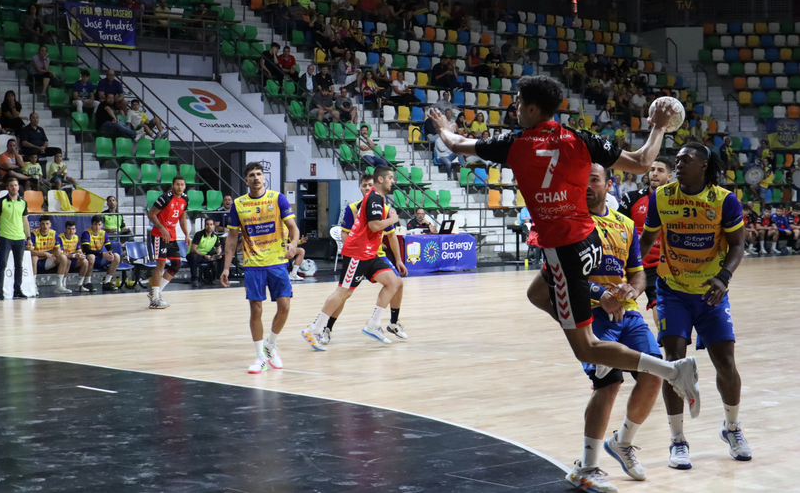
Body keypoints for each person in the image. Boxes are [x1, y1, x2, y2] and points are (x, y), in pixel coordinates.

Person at [427, 75, 701, 424]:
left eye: (516, 101)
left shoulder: (514, 143)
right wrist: (659, 127)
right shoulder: (580, 138)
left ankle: (673, 371)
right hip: (588, 240)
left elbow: (456, 144)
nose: (512, 107)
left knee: (585, 346)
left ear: (530, 107)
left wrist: (443, 126)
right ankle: (586, 325)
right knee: (538, 293)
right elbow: (643, 160)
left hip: (563, 248)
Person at [528, 164, 662, 492]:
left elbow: (638, 271)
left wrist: (635, 288)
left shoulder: (626, 225)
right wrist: (599, 295)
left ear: (607, 184)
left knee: (654, 372)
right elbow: (559, 279)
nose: (587, 185)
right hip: (592, 315)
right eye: (580, 180)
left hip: (627, 313)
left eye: (594, 179)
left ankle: (623, 442)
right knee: (608, 382)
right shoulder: (568, 226)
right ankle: (587, 466)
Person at [638, 142, 751, 469]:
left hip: (711, 292)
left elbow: (737, 244)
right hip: (672, 290)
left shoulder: (724, 201)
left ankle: (732, 428)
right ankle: (677, 439)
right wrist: (629, 270)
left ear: (703, 166)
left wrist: (723, 277)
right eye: (678, 160)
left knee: (726, 362)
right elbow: (647, 241)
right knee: (674, 364)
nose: (679, 164)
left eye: (686, 160)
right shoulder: (661, 197)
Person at [302, 166, 407, 350]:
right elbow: (375, 226)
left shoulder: (377, 199)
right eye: (390, 177)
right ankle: (314, 328)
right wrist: (393, 220)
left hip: (371, 253)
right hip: (358, 253)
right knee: (344, 292)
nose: (393, 181)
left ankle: (374, 325)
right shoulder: (374, 197)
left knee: (394, 282)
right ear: (380, 179)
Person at [220, 162, 299, 374]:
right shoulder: (238, 204)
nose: (256, 178)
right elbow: (231, 240)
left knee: (285, 306)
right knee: (256, 309)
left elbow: (293, 228)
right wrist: (226, 268)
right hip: (253, 264)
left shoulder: (277, 198)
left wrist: (293, 243)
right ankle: (260, 356)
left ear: (264, 178)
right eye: (252, 175)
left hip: (277, 262)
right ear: (246, 180)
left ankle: (270, 345)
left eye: (259, 174)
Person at [618, 156, 674, 328]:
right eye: (652, 170)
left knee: (660, 304)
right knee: (618, 300)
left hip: (661, 265)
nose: (654, 174)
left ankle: (665, 345)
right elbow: (618, 228)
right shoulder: (632, 198)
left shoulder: (676, 202)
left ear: (669, 176)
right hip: (633, 262)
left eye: (660, 170)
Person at [145, 176, 190, 307]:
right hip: (159, 235)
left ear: (185, 186)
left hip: (172, 236)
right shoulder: (165, 198)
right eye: (177, 184)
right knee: (161, 265)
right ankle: (155, 298)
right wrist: (161, 228)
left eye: (182, 184)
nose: (180, 187)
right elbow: (151, 214)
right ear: (172, 185)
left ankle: (155, 292)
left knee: (176, 264)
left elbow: (182, 219)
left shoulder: (185, 199)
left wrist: (187, 235)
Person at [0, 177, 31, 300]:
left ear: (18, 187)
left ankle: (17, 290)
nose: (14, 187)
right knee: (2, 264)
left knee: (19, 265)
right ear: (7, 188)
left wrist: (28, 237)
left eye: (16, 185)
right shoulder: (1, 202)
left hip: (20, 238)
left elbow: (25, 222)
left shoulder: (23, 202)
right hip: (5, 237)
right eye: (11, 185)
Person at [29, 215, 72, 294]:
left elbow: (57, 249)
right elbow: (29, 251)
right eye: (43, 224)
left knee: (63, 258)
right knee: (33, 258)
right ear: (40, 225)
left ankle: (59, 286)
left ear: (50, 224)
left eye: (47, 223)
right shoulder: (34, 234)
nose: (45, 226)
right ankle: (33, 286)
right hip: (37, 260)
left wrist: (58, 252)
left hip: (48, 261)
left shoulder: (54, 234)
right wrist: (44, 253)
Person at [79, 215, 121, 292]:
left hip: (99, 257)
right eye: (95, 224)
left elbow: (109, 247)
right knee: (92, 257)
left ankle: (107, 282)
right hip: (89, 257)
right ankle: (87, 282)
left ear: (102, 225)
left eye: (99, 225)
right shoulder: (86, 233)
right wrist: (102, 254)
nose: (97, 227)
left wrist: (110, 252)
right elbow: (86, 250)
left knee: (116, 256)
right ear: (91, 224)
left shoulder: (104, 233)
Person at [187, 218, 223, 287]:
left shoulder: (215, 236)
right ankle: (194, 279)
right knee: (193, 256)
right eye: (207, 224)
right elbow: (193, 249)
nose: (209, 226)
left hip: (206, 254)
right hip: (196, 255)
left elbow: (218, 248)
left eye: (211, 224)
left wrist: (218, 254)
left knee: (223, 257)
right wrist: (204, 256)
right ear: (204, 226)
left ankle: (218, 278)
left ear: (214, 226)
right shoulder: (199, 234)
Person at [59, 220, 91, 289]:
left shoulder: (76, 237)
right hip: (62, 261)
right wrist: (74, 255)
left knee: (85, 261)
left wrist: (82, 255)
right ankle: (63, 285)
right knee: (67, 261)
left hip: (73, 259)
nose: (71, 231)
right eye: (69, 229)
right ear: (65, 229)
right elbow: (60, 254)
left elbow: (79, 251)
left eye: (73, 229)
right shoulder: (60, 237)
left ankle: (79, 285)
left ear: (75, 230)